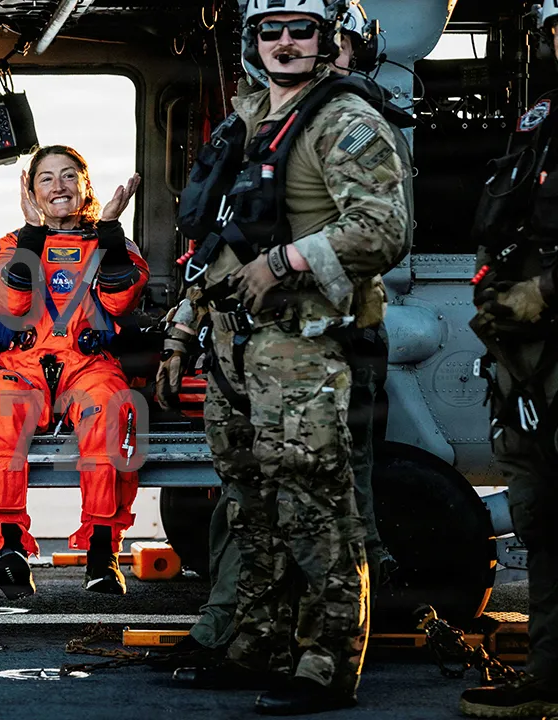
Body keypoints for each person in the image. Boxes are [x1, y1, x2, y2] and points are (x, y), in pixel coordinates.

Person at [162, 0, 408, 713]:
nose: (286, 42)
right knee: (252, 507)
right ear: (252, 42)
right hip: (237, 348)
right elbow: (218, 244)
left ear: (326, 39)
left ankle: (327, 664)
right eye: (271, 31)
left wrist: (288, 259)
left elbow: (382, 228)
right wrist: (185, 327)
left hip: (301, 345)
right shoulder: (249, 125)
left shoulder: (343, 122)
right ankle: (257, 644)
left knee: (314, 507)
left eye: (302, 29)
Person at [0, 146, 148, 599]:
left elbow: (123, 300)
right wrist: (32, 233)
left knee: (111, 406)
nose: (59, 187)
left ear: (85, 186)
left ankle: (102, 550)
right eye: (46, 179)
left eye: (69, 176)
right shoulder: (7, 245)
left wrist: (108, 229)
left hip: (87, 366)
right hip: (23, 366)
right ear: (32, 192)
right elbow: (11, 305)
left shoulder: (112, 243)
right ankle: (9, 548)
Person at [459, 4, 558, 716]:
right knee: (544, 517)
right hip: (528, 363)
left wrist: (544, 291)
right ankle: (550, 676)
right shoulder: (543, 121)